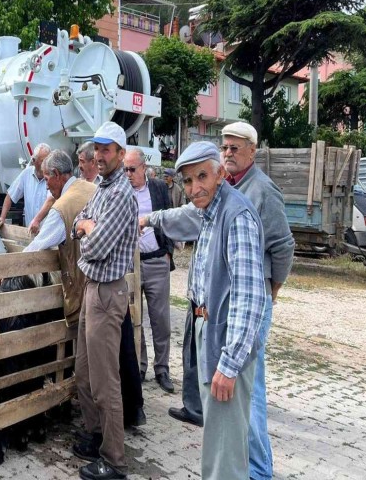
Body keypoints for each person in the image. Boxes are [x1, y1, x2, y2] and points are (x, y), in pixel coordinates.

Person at [140, 141, 265, 480]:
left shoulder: (235, 216)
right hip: (209, 330)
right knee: (217, 438)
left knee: (225, 454)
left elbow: (249, 297)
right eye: (188, 181)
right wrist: (148, 219)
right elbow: (181, 217)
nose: (195, 188)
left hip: (226, 343)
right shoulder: (209, 210)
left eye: (202, 177)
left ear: (221, 174)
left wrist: (229, 365)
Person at [19, 150, 146, 429]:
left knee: (96, 366)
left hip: (91, 286)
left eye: (48, 179)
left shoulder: (63, 207)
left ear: (57, 176)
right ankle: (134, 409)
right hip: (117, 282)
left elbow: (37, 247)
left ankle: (102, 431)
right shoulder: (91, 188)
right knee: (123, 346)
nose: (46, 186)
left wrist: (9, 268)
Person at [221, 121, 295, 480]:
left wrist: (271, 291)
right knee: (237, 386)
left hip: (254, 302)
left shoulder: (263, 189)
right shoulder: (229, 186)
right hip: (231, 302)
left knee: (250, 388)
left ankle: (260, 471)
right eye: (225, 148)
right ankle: (245, 464)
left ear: (252, 150)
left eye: (235, 148)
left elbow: (283, 246)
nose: (228, 154)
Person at [72, 121, 138, 480]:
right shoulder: (101, 187)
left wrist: (87, 230)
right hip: (92, 288)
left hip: (107, 291)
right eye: (96, 149)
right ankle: (95, 435)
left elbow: (95, 246)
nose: (99, 155)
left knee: (104, 380)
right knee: (84, 372)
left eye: (106, 149)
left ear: (120, 153)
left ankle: (114, 460)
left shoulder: (121, 195)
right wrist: (86, 226)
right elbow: (79, 225)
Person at [123, 148, 175, 393]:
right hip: (131, 264)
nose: (128, 174)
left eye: (132, 169)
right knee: (135, 317)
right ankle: (140, 366)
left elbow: (171, 219)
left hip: (156, 261)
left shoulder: (158, 188)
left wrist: (168, 251)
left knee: (160, 318)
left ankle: (162, 368)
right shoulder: (121, 192)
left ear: (144, 168)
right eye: (125, 169)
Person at [28, 142, 101, 235]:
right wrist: (37, 219)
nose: (79, 166)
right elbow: (51, 199)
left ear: (93, 162)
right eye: (78, 161)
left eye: (82, 161)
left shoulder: (102, 186)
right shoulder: (77, 183)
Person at [0, 143, 50, 230]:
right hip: (31, 232)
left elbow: (51, 201)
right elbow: (10, 196)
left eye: (48, 161)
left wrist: (37, 221)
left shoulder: (52, 177)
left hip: (48, 233)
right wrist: (2, 217)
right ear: (34, 161)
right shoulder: (26, 174)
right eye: (43, 161)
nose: (46, 165)